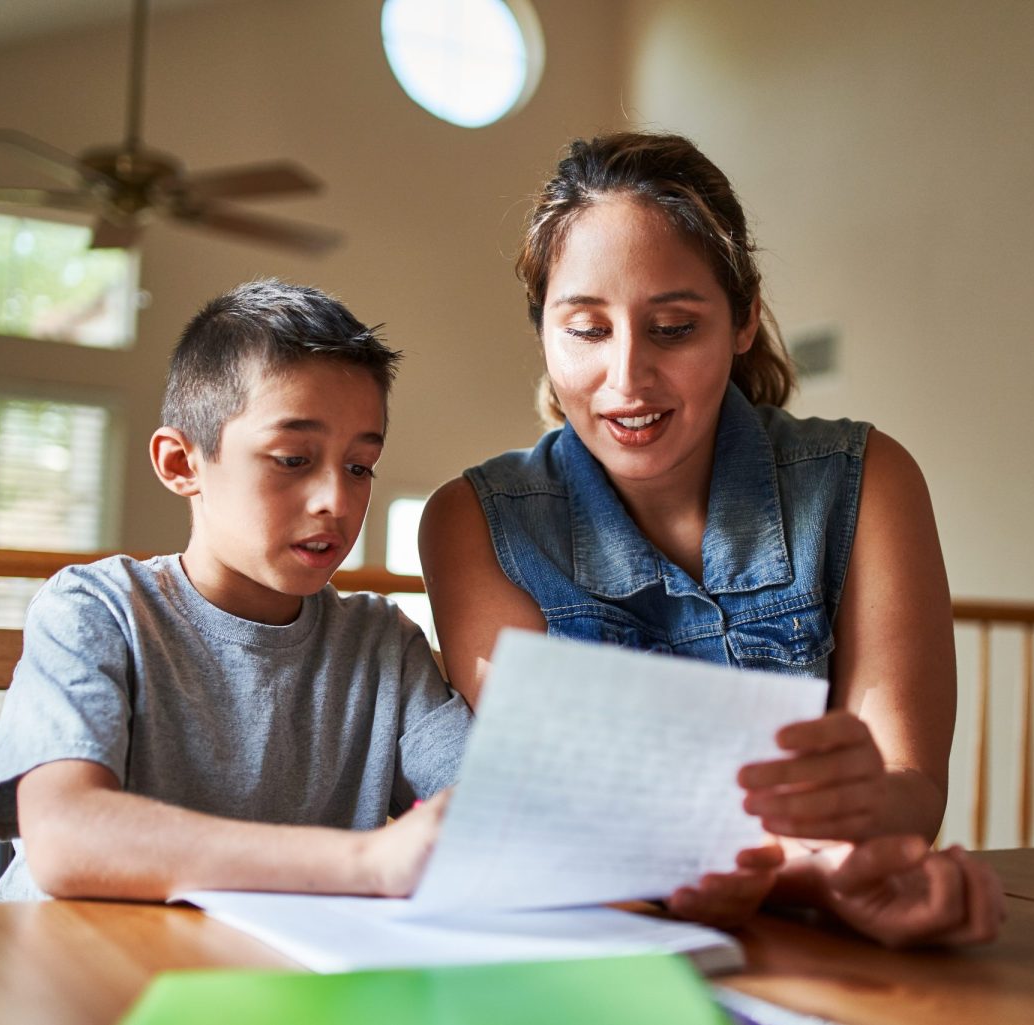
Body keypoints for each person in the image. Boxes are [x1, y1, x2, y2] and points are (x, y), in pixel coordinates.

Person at [419, 132, 1003, 945]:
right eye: (586, 330)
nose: (628, 379)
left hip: (818, 953)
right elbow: (566, 816)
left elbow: (906, 786)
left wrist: (845, 846)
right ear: (543, 331)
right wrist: (811, 876)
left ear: (743, 320)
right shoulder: (475, 523)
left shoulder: (868, 481)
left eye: (673, 327)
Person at [0, 280, 471, 901]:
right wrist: (365, 860)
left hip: (264, 979)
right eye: (291, 458)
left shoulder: (381, 644)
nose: (336, 501)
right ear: (182, 464)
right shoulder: (96, 610)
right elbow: (63, 835)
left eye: (359, 466)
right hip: (77, 972)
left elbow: (488, 813)